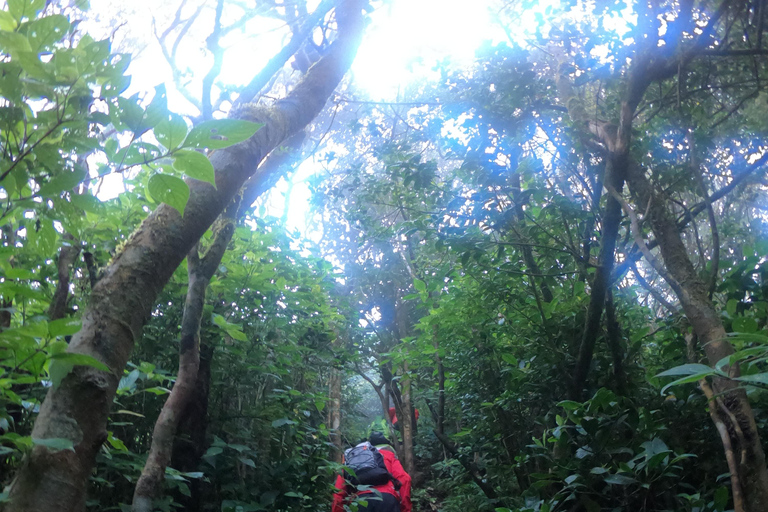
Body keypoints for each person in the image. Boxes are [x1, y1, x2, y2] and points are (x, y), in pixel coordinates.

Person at [332, 433, 412, 512]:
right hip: (386, 499)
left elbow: (339, 492)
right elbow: (405, 479)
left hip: (359, 501)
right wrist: (405, 509)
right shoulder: (388, 455)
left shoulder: (351, 461)